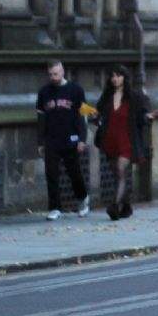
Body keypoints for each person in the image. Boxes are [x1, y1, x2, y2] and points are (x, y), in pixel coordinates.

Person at [93, 65, 156, 220]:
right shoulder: (107, 96)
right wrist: (94, 117)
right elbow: (98, 113)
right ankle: (126, 206)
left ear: (124, 78)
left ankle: (114, 207)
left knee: (121, 171)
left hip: (127, 140)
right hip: (110, 140)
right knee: (116, 174)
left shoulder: (133, 96)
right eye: (113, 76)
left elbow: (141, 116)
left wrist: (147, 117)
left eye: (118, 76)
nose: (115, 79)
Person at [36, 61, 90, 220]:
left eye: (56, 74)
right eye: (51, 74)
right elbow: (41, 118)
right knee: (51, 173)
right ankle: (54, 207)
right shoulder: (44, 92)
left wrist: (82, 138)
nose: (54, 77)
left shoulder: (76, 90)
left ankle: (83, 199)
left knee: (74, 172)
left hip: (71, 137)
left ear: (63, 71)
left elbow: (83, 115)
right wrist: (40, 141)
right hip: (51, 139)